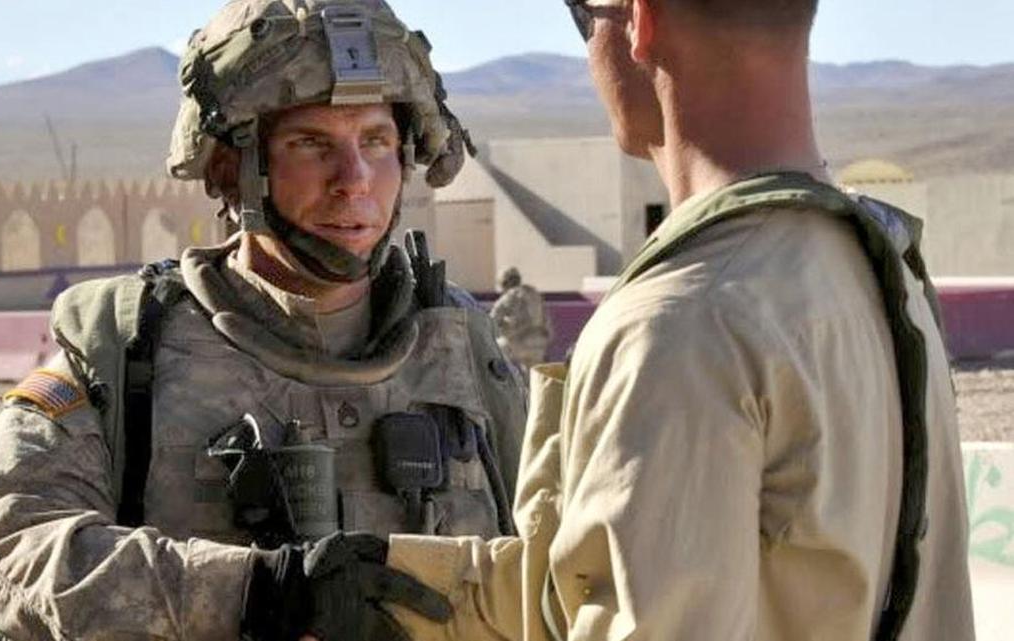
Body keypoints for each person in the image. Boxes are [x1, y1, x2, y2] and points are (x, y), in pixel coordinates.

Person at [383, 1, 975, 640]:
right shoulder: (880, 267)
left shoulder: (678, 323)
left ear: (642, 18)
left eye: (585, 16)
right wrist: (381, 581)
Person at [0, 1, 527, 639]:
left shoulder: (462, 344)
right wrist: (254, 593)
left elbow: (563, 555)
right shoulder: (128, 341)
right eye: (312, 144)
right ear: (233, 168)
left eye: (376, 142)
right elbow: (8, 535)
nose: (354, 180)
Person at [490, 267, 552, 373]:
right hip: (538, 344)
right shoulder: (534, 294)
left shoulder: (510, 296)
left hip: (517, 343)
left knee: (492, 353)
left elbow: (492, 319)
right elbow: (546, 320)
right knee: (533, 375)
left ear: (504, 283)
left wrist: (504, 326)